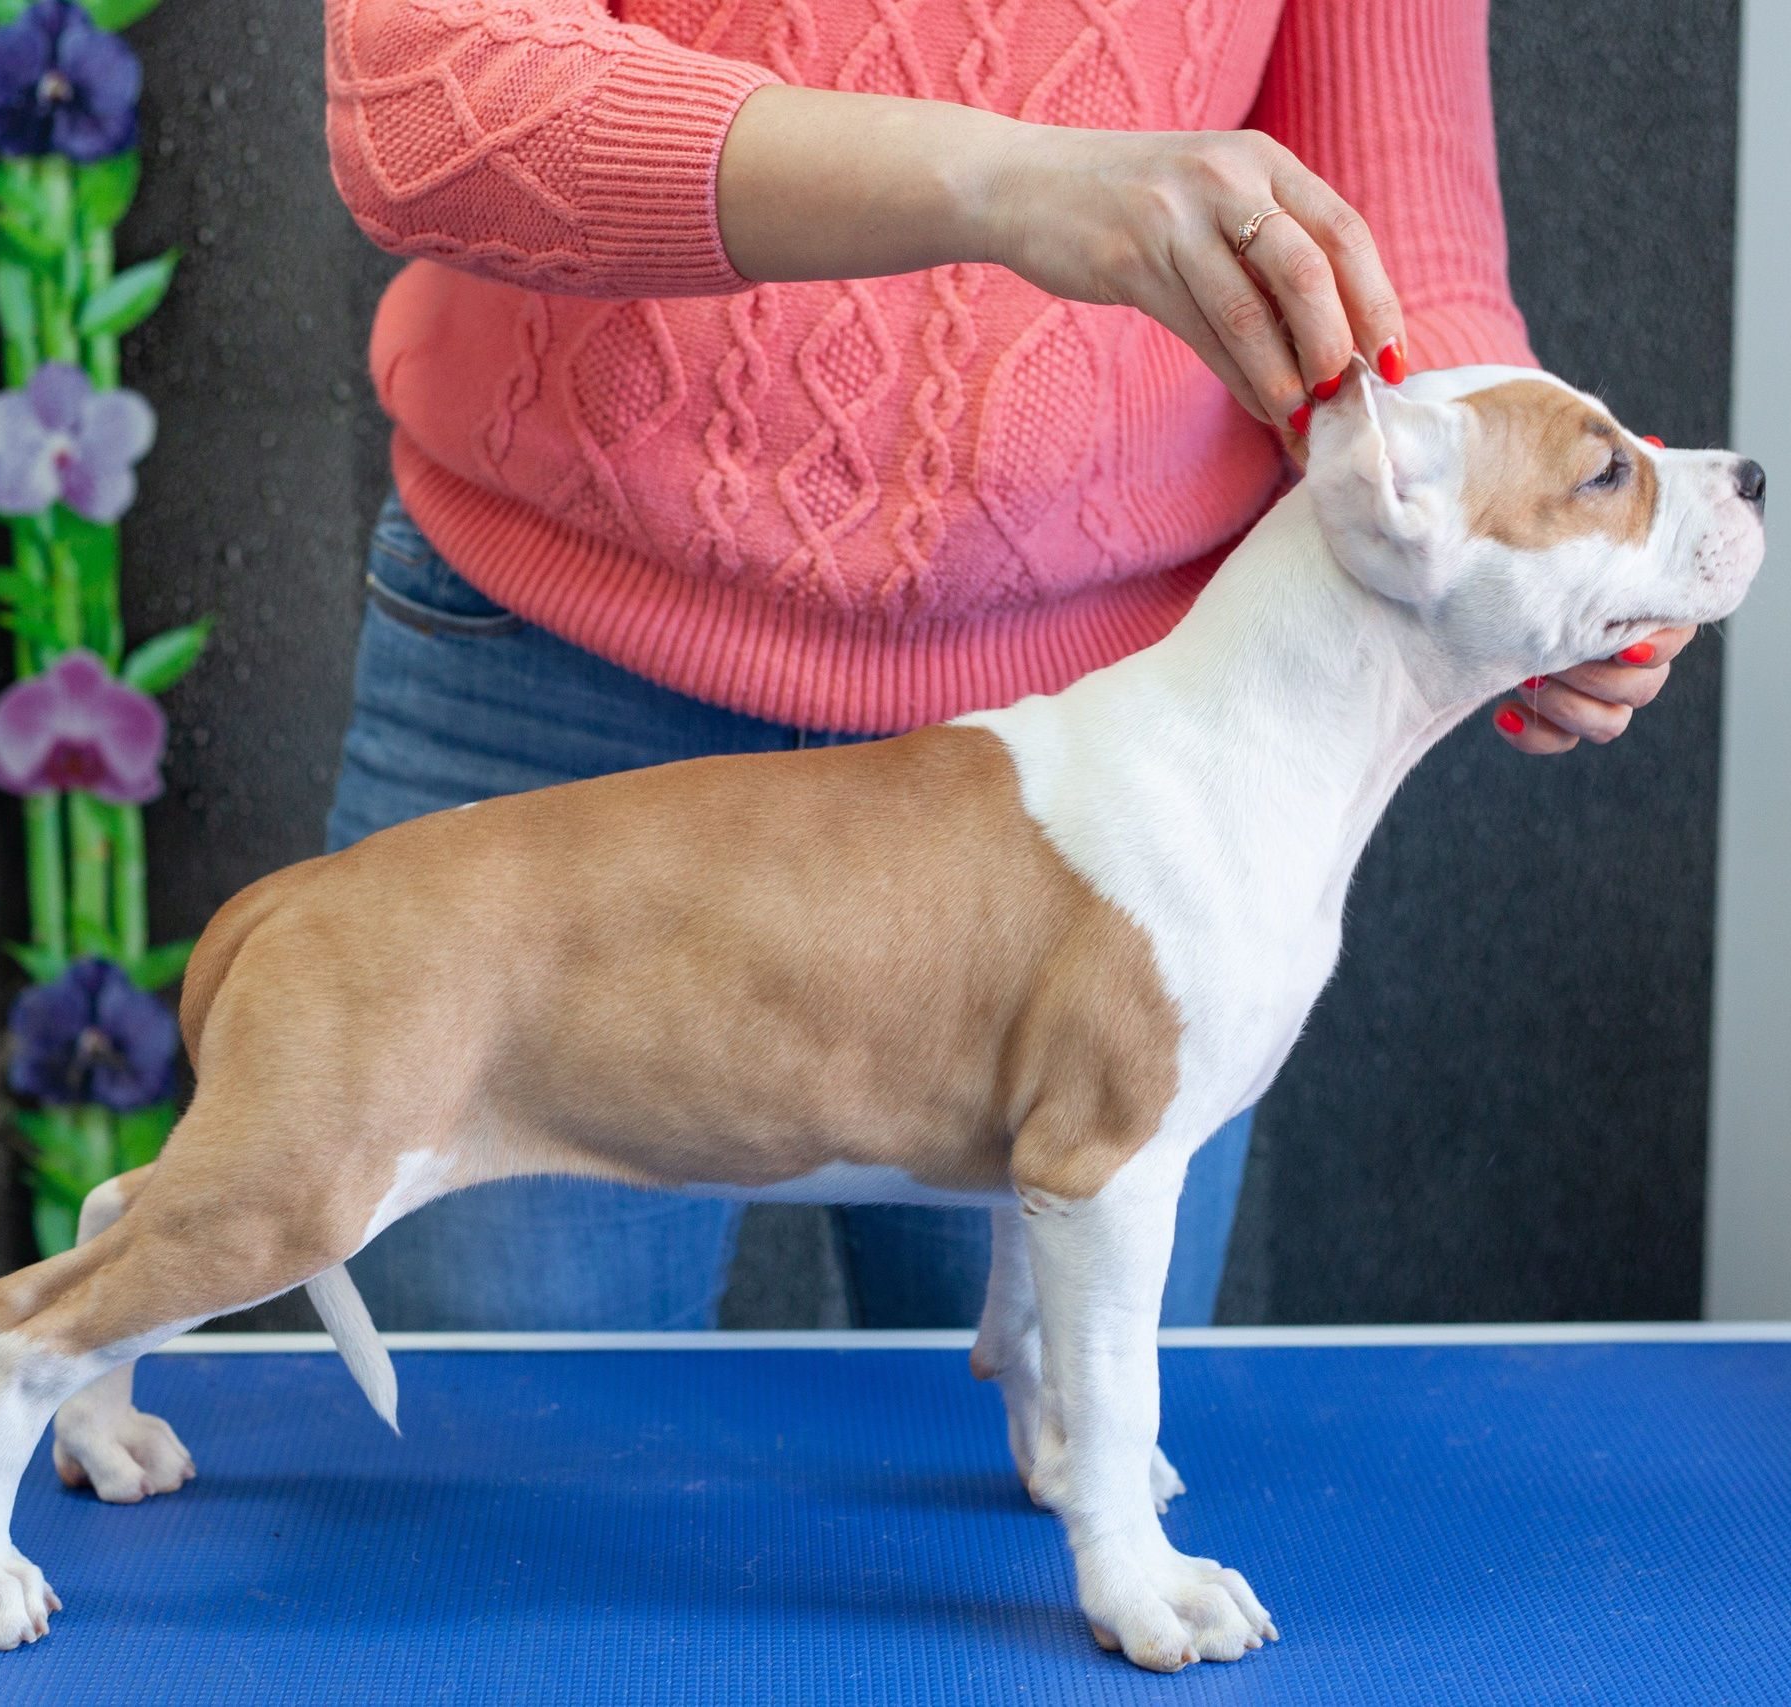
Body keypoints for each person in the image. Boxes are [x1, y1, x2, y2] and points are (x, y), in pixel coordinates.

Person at [316, 0, 1689, 1332]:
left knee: (1060, 1442)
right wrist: (1009, 180)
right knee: (508, 1445)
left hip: (1108, 807)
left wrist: (1536, 543)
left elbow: (1392, 255)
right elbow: (429, 97)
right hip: (564, 701)